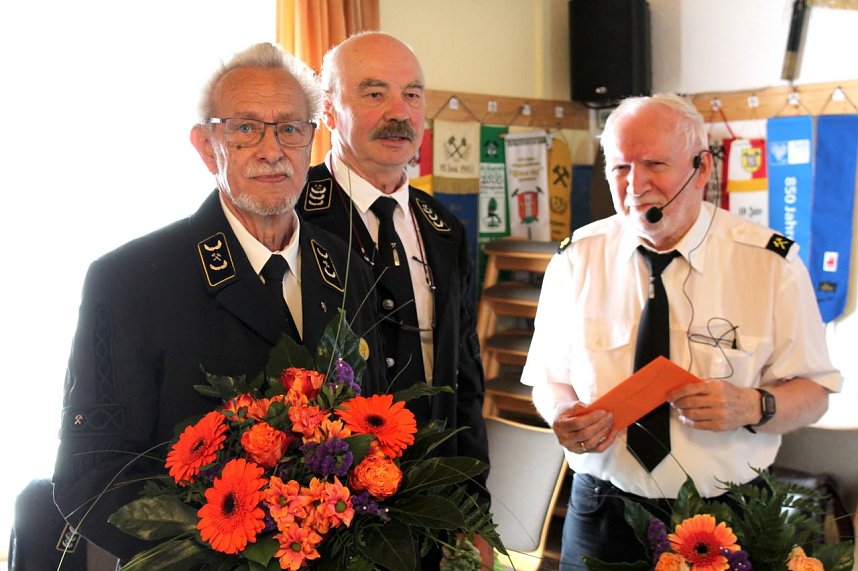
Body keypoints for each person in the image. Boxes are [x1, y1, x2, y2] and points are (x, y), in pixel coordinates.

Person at [52, 42, 384, 562]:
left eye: (290, 128)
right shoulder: (130, 280)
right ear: (207, 147)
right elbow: (91, 476)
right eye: (245, 128)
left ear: (312, 142)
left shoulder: (348, 270)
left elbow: (376, 429)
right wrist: (227, 556)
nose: (272, 150)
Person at [521, 93, 841, 567]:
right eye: (620, 167)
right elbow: (549, 379)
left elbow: (814, 392)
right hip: (602, 509)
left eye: (654, 164)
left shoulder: (770, 264)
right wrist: (562, 413)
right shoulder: (577, 258)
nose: (635, 185)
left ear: (701, 168)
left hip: (727, 513)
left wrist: (753, 405)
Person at [296, 32, 492, 567]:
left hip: (431, 505)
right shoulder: (294, 216)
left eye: (412, 95)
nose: (399, 113)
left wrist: (474, 514)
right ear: (329, 111)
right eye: (374, 93)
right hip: (327, 515)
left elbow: (465, 379)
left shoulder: (444, 229)